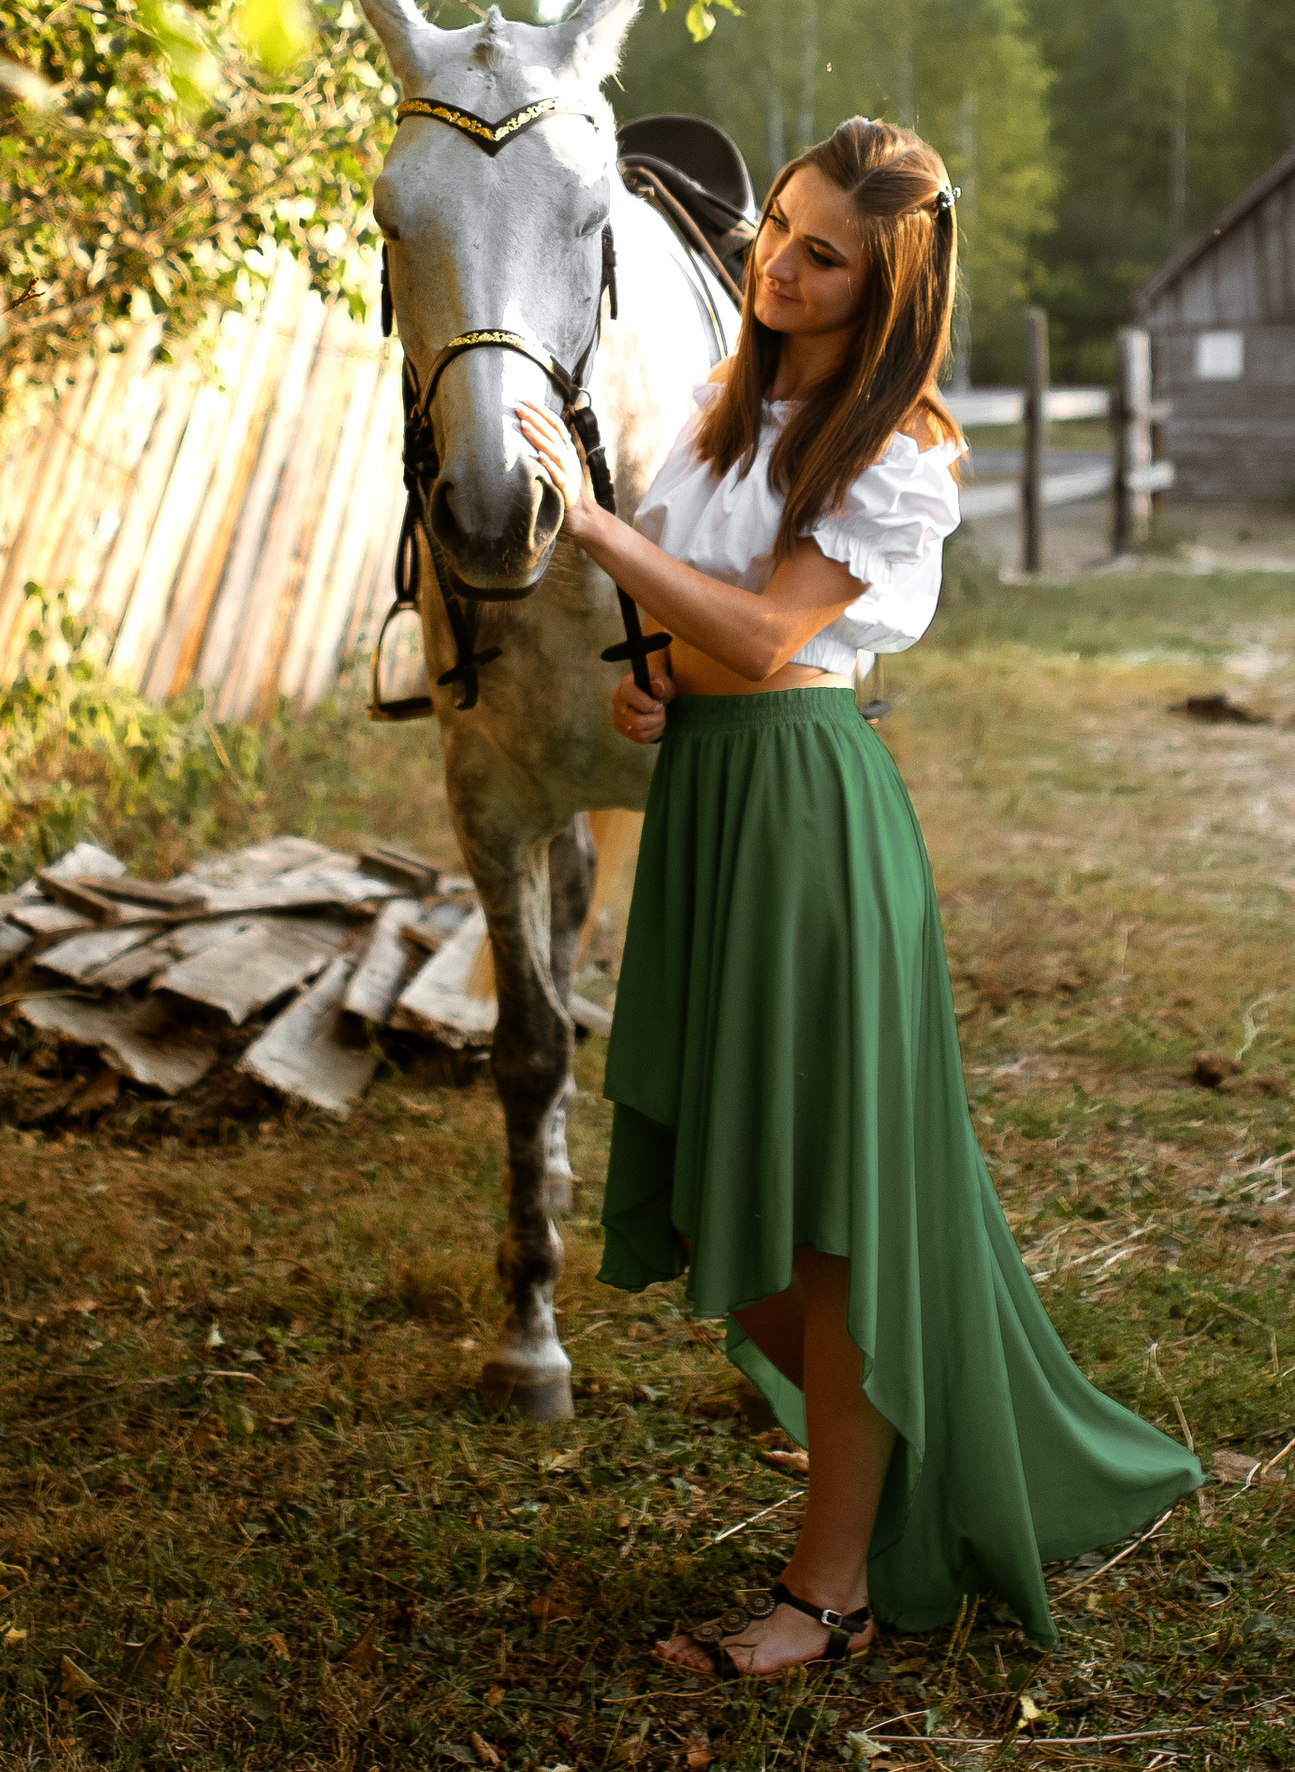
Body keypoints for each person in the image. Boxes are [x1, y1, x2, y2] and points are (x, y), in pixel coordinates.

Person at [512, 114, 1198, 1683]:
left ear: (887, 288)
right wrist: (657, 682)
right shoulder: (720, 416)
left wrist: (606, 531)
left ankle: (829, 1592)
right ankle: (889, 1464)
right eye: (785, 232)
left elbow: (772, 638)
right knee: (722, 1200)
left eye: (827, 257)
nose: (785, 268)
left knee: (823, 1215)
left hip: (811, 819)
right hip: (712, 802)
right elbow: (712, 643)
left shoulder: (899, 452)